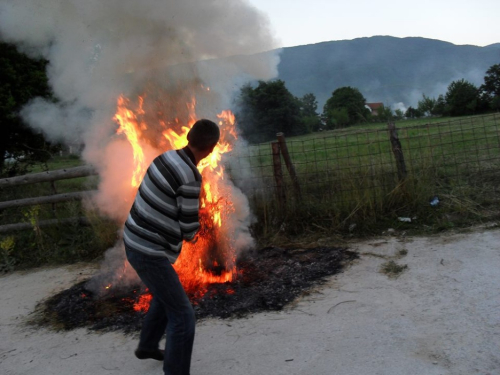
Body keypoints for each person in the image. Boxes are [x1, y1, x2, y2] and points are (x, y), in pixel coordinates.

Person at [123, 119, 220, 375]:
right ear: (211, 149)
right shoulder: (190, 176)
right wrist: (203, 226)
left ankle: (147, 346)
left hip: (133, 238)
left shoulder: (165, 157)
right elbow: (189, 230)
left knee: (167, 295)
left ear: (189, 136)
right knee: (183, 315)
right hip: (148, 251)